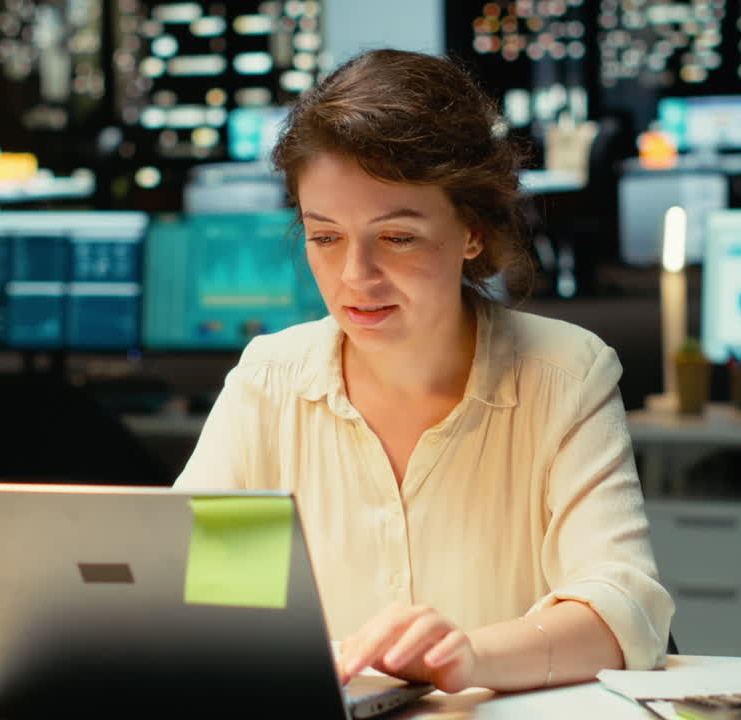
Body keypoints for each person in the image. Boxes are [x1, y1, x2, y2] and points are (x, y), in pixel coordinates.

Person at [173, 48, 673, 693]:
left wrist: (468, 657)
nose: (356, 277)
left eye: (398, 237)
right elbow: (202, 600)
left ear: (474, 231)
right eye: (324, 237)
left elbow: (623, 613)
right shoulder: (271, 382)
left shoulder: (561, 375)